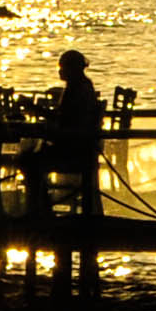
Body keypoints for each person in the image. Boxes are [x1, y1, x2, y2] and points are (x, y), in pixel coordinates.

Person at [26, 49, 105, 218]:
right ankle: (43, 207)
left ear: (73, 68)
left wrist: (35, 111)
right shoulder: (83, 86)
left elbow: (64, 122)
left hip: (73, 150)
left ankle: (39, 211)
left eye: (62, 67)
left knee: (29, 161)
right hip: (79, 147)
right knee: (32, 156)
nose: (60, 71)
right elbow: (63, 119)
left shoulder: (77, 90)